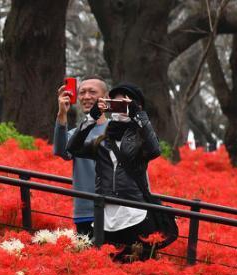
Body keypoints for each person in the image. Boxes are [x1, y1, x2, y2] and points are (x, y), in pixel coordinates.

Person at [65, 83, 176, 262]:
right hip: (105, 216)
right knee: (107, 269)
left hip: (136, 214)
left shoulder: (140, 140)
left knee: (139, 266)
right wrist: (91, 118)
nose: (120, 108)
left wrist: (139, 115)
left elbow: (155, 150)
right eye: (115, 103)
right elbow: (73, 148)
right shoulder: (101, 142)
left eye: (125, 104)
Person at [53, 76, 108, 237]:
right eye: (82, 92)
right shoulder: (75, 134)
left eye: (92, 92)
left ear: (105, 96)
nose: (86, 96)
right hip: (84, 211)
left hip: (114, 210)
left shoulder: (115, 130)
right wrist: (62, 114)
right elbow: (62, 151)